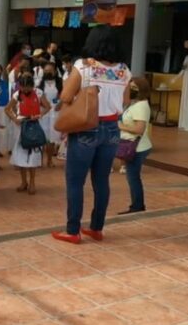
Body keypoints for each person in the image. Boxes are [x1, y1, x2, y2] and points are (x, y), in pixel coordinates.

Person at [52, 26, 131, 244]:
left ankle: (72, 230)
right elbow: (125, 102)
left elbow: (66, 95)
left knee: (75, 181)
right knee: (101, 180)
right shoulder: (124, 70)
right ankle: (96, 228)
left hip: (86, 128)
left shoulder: (83, 67)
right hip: (112, 129)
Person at [6, 74, 51, 195]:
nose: (26, 90)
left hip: (34, 124)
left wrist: (40, 115)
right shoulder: (17, 94)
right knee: (21, 156)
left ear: (32, 86)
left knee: (33, 155)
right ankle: (23, 182)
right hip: (21, 126)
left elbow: (48, 106)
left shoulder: (39, 93)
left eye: (28, 87)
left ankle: (32, 182)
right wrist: (15, 119)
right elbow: (7, 109)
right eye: (23, 87)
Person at [118, 77, 152, 214]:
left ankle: (137, 206)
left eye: (134, 88)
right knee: (132, 176)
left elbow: (139, 129)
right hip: (134, 145)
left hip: (137, 147)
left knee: (133, 177)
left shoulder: (140, 106)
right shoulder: (135, 104)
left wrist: (120, 126)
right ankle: (137, 205)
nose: (130, 90)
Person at [39, 61, 63, 168]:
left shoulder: (60, 82)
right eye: (46, 70)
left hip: (55, 111)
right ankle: (39, 161)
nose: (48, 72)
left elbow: (64, 95)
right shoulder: (39, 83)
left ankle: (49, 160)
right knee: (42, 136)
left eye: (50, 70)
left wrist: (60, 104)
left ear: (55, 71)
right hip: (43, 112)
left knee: (53, 137)